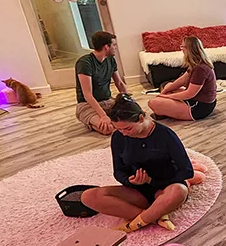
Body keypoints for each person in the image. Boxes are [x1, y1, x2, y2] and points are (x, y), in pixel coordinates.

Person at [81, 95, 193, 233]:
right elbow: (119, 171)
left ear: (141, 118)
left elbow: (187, 171)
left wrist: (153, 181)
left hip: (166, 188)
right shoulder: (119, 137)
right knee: (88, 196)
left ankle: (133, 225)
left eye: (127, 129)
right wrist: (130, 180)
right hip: (138, 191)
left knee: (179, 191)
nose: (124, 133)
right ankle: (154, 216)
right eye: (119, 129)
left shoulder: (166, 135)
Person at [148, 36, 218, 121]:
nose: (181, 49)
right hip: (196, 99)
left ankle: (165, 111)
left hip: (200, 107)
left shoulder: (201, 69)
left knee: (153, 103)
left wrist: (168, 97)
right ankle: (166, 110)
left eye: (182, 47)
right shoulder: (195, 64)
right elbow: (181, 80)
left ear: (189, 49)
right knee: (168, 85)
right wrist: (164, 92)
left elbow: (189, 94)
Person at [75, 31, 128, 135]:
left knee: (133, 118)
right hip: (87, 104)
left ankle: (107, 118)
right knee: (108, 129)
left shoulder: (110, 60)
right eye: (114, 45)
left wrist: (128, 102)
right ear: (106, 47)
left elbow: (120, 84)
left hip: (108, 101)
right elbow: (87, 94)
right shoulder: (85, 63)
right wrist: (103, 116)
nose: (116, 48)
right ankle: (91, 119)